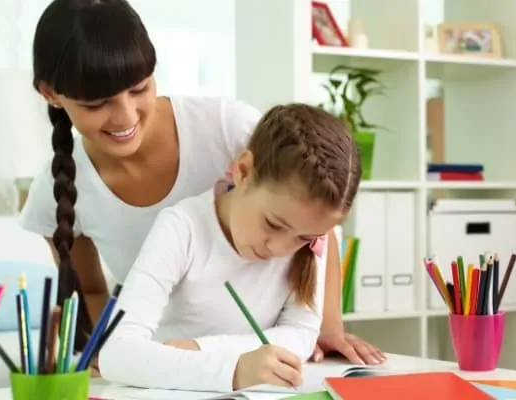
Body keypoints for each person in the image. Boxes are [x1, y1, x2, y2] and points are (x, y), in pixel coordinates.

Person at [22, 0, 385, 365]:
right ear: (51, 94)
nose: (125, 116)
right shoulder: (57, 191)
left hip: (274, 353)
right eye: (97, 103)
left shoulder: (226, 128)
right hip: (176, 361)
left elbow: (314, 218)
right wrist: (110, 353)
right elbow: (91, 289)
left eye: (138, 89)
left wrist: (327, 326)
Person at [99, 103, 361, 391]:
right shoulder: (182, 227)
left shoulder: (308, 236)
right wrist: (234, 371)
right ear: (244, 171)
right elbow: (116, 353)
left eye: (303, 238)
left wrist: (200, 349)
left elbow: (301, 335)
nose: (280, 248)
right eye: (273, 224)